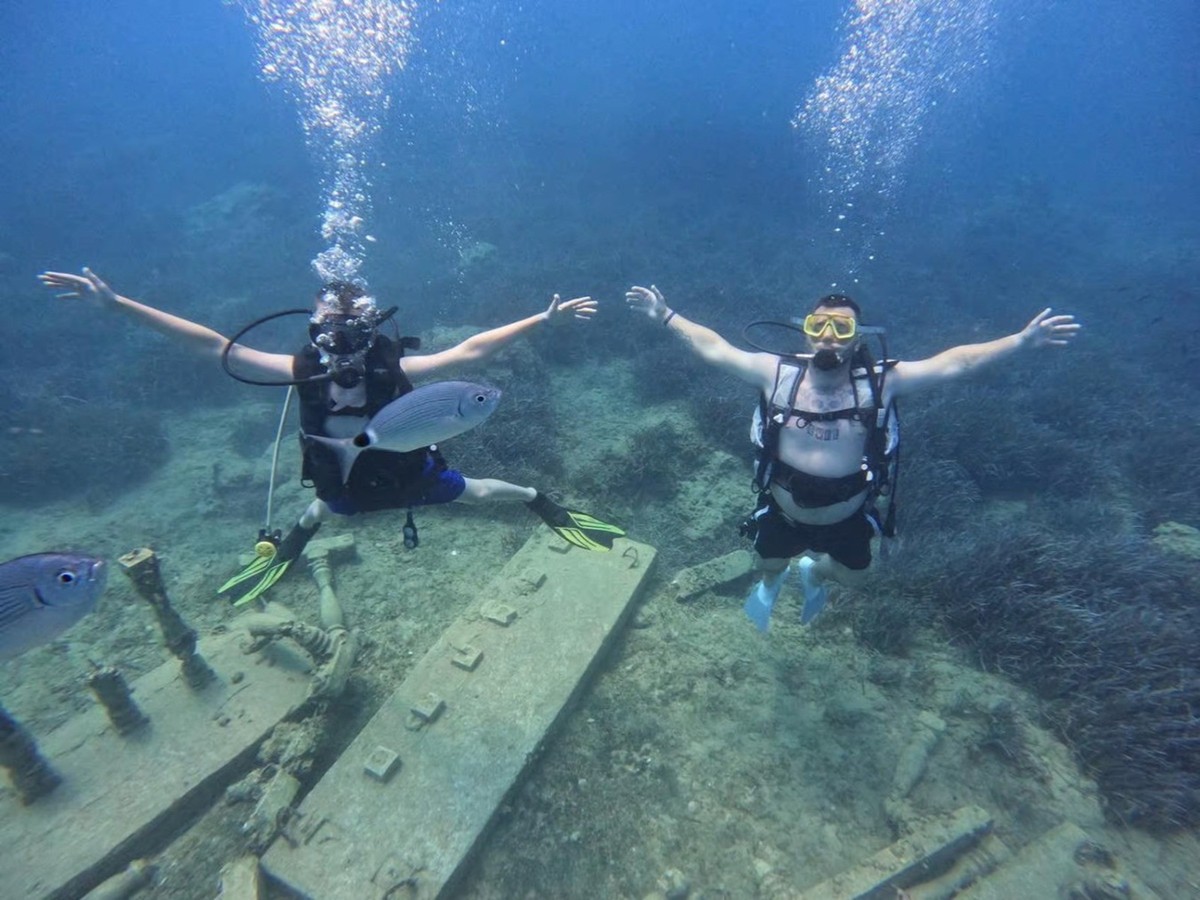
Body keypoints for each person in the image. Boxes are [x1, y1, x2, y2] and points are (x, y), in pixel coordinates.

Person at [38, 268, 624, 604]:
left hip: (410, 476)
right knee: (324, 508)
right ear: (316, 330)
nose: (341, 343)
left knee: (479, 492)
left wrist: (541, 320)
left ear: (371, 329)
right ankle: (288, 547)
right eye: (330, 329)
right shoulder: (300, 370)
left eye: (353, 329)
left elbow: (469, 352)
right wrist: (119, 305)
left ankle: (543, 504)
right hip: (342, 490)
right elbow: (216, 347)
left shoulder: (394, 367)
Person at [625, 283, 1080, 631]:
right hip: (782, 510)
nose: (828, 337)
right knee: (768, 563)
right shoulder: (776, 373)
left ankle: (815, 573)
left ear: (857, 337)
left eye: (841, 329)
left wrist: (1020, 342)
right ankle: (770, 586)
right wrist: (666, 315)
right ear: (805, 331)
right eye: (818, 326)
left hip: (850, 516)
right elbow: (715, 348)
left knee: (855, 577)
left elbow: (955, 362)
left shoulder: (883, 382)